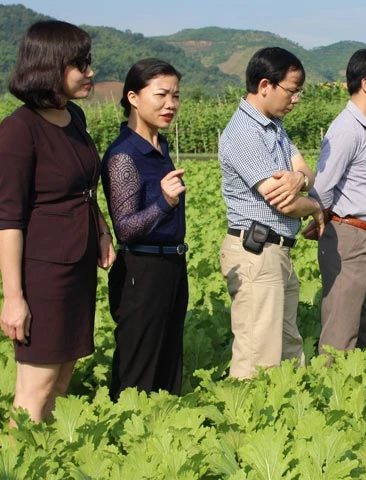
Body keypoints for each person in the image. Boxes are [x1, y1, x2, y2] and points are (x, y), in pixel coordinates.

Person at [0, 20, 116, 422]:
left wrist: (101, 231)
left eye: (88, 63)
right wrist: (14, 298)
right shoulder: (18, 131)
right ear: (50, 67)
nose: (90, 73)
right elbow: (8, 220)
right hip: (44, 272)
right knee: (37, 384)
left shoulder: (75, 117)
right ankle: (19, 460)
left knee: (64, 374)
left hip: (78, 263)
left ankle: (46, 457)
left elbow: (85, 186)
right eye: (80, 65)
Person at [219, 47, 324, 380]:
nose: (296, 100)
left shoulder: (275, 128)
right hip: (257, 251)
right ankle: (244, 423)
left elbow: (306, 174)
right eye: (292, 91)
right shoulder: (245, 133)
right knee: (257, 353)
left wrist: (299, 179)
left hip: (277, 250)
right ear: (265, 85)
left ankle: (288, 413)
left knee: (287, 342)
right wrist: (316, 207)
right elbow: (286, 202)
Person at [304, 48, 366, 354]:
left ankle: (350, 387)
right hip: (349, 236)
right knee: (342, 325)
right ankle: (331, 390)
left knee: (359, 319)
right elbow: (324, 183)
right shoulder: (346, 129)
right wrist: (318, 217)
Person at [101, 58, 187, 400]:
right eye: (162, 95)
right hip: (141, 270)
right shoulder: (124, 155)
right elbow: (125, 229)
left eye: (176, 96)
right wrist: (164, 202)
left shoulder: (160, 147)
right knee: (138, 370)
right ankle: (125, 441)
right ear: (133, 97)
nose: (171, 104)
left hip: (171, 266)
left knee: (167, 363)